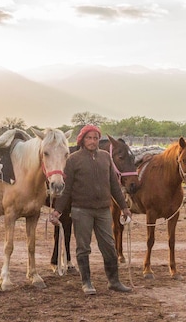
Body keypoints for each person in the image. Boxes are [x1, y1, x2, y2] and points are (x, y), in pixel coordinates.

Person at [51, 125, 132, 294]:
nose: (92, 141)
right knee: (83, 248)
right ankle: (86, 282)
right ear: (82, 140)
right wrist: (58, 210)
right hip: (81, 210)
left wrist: (124, 207)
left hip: (103, 210)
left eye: (95, 138)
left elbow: (114, 185)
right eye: (89, 138)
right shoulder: (73, 160)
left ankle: (114, 281)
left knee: (109, 246)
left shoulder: (105, 158)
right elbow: (67, 188)